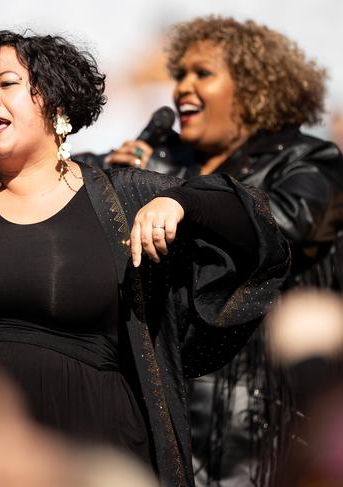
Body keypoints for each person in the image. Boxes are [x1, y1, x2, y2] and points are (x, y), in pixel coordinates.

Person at [0, 30, 289, 487]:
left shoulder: (120, 197)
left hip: (87, 445)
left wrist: (181, 203)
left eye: (6, 84)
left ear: (56, 103)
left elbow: (255, 225)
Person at [105, 16, 343, 486]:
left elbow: (288, 221)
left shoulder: (309, 161)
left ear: (255, 86)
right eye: (180, 75)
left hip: (259, 422)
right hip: (158, 406)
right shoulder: (160, 158)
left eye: (203, 73)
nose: (182, 88)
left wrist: (184, 200)